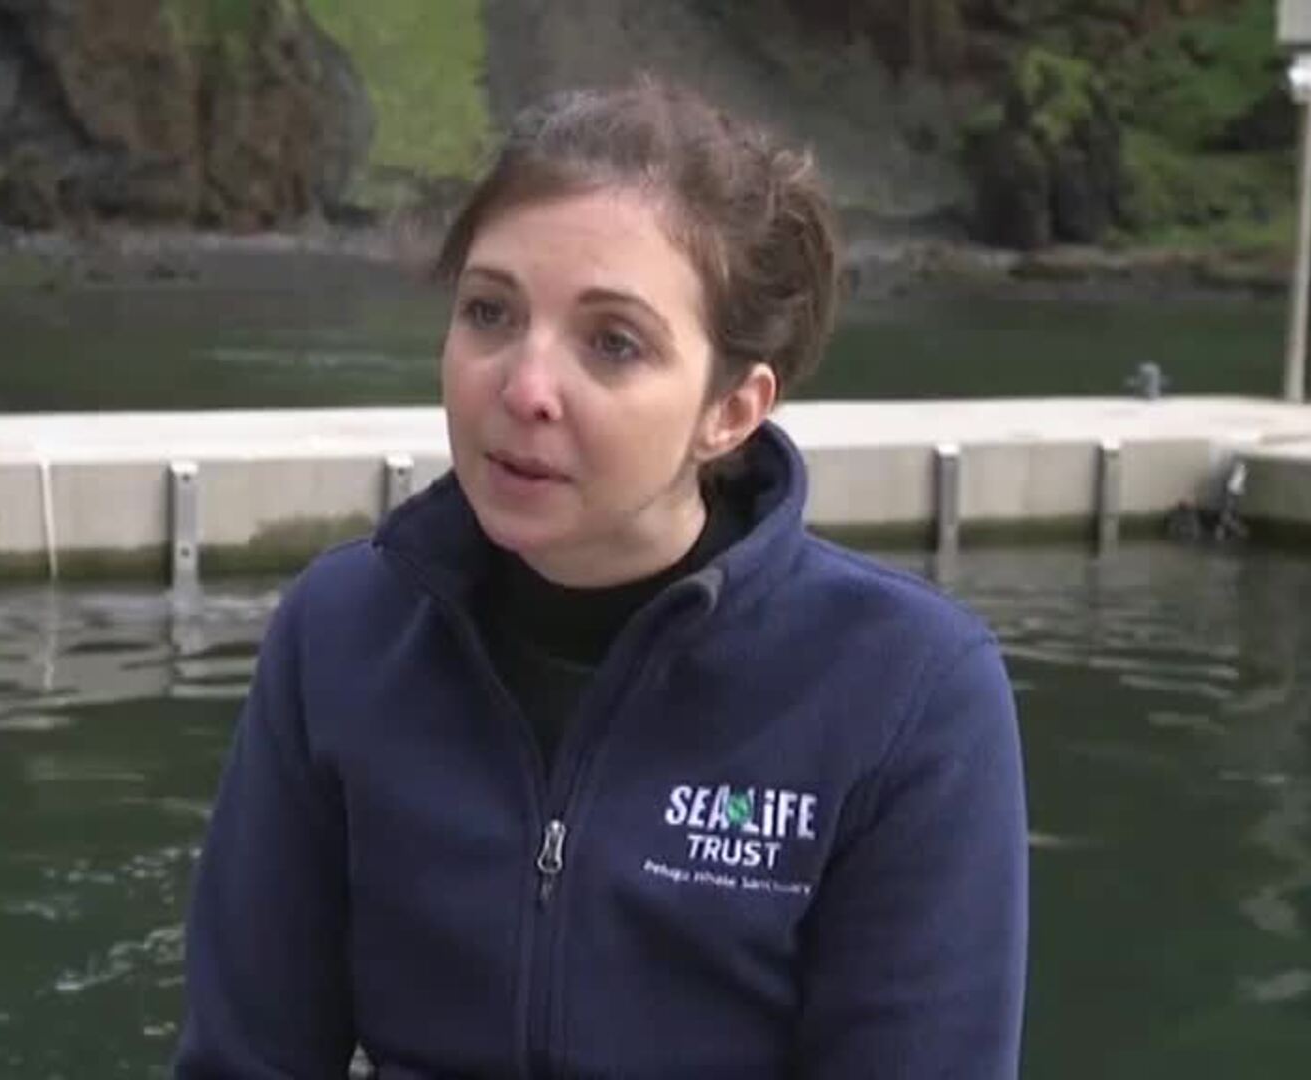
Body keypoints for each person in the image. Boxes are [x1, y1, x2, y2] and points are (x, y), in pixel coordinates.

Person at [175, 77, 1028, 1078]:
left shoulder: (908, 692)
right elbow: (245, 1059)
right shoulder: (342, 632)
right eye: (490, 312)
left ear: (733, 409)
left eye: (613, 343)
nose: (525, 388)